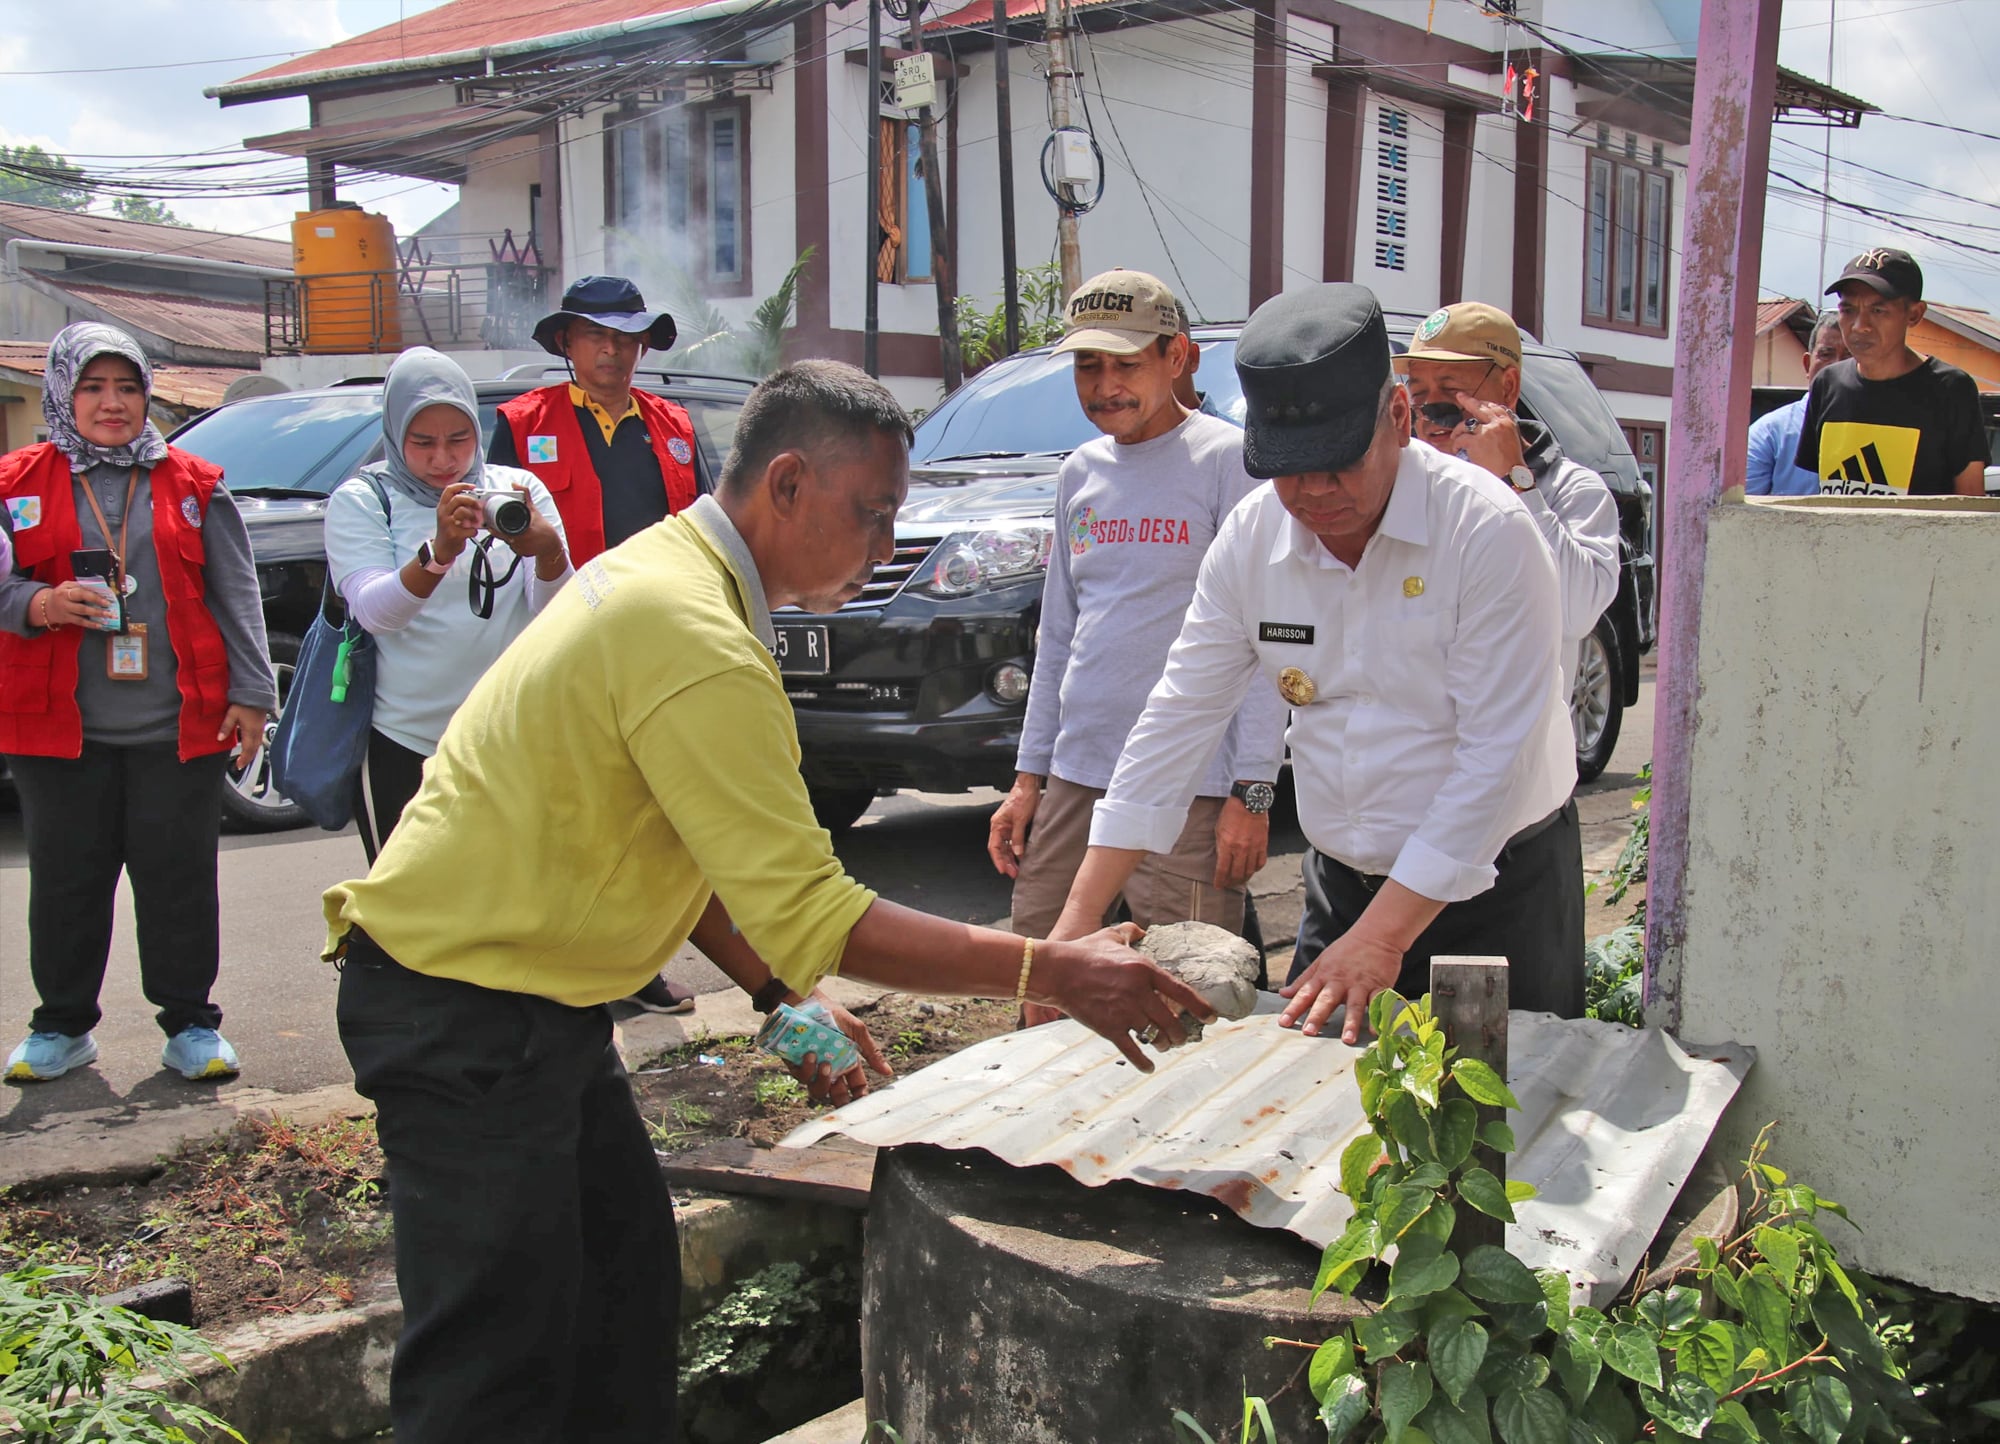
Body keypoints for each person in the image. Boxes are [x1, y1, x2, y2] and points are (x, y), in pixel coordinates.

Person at [323, 359, 1210, 1443]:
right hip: (461, 1008)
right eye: (872, 514)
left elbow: (682, 840)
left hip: (532, 1005)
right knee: (492, 1371)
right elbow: (823, 912)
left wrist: (773, 993)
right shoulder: (688, 628)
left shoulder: (677, 581)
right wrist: (1050, 968)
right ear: (785, 483)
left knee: (621, 1307)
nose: (885, 548)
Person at [1048, 283, 1582, 1044]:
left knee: (1501, 1129)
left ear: (1397, 418)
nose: (1316, 493)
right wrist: (1077, 916)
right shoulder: (1253, 537)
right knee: (1318, 1130)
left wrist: (1386, 936)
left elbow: (1499, 757)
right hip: (1342, 889)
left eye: (1338, 464)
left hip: (1496, 889)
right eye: (1290, 470)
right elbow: (1179, 715)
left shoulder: (1486, 531)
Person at [988, 268, 1285, 974]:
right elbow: (1058, 635)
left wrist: (1255, 791)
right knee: (1040, 968)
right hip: (1078, 773)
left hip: (1193, 787)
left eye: (1125, 364)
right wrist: (1029, 779)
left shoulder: (1227, 463)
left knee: (1185, 990)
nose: (1103, 385)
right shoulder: (1079, 472)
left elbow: (1267, 640)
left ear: (1176, 357)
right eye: (1088, 366)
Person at [0, 323, 277, 1082]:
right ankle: (61, 1026)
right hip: (59, 730)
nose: (112, 403)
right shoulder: (14, 482)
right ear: (64, 393)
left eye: (126, 387)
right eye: (92, 387)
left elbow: (235, 590)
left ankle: (190, 1023)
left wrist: (252, 693)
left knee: (177, 877)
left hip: (175, 725)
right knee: (66, 879)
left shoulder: (193, 482)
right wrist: (38, 602)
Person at [491, 273, 703, 1014]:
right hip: (558, 642)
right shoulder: (520, 422)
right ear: (567, 343)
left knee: (645, 804)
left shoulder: (672, 424)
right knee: (566, 803)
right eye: (596, 336)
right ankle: (564, 960)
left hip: (653, 641)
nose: (613, 351)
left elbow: (704, 529)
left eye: (626, 337)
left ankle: (635, 961)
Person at [323, 347, 571, 847]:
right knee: (410, 915)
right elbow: (374, 612)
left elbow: (556, 615)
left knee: (514, 908)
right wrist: (438, 554)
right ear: (395, 434)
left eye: (459, 439)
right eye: (423, 442)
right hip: (406, 742)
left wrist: (548, 552)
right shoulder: (364, 499)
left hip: (509, 739)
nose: (443, 458)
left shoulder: (517, 489)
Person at [1398, 302, 1619, 717]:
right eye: (1418, 395)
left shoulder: (1571, 490)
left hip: (1512, 757)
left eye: (1450, 393)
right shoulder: (1401, 488)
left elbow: (1575, 611)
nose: (1430, 415)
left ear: (1508, 388)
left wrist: (1514, 480)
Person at [1796, 248, 1987, 497]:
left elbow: (1970, 502)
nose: (1859, 326)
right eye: (1848, 310)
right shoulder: (1827, 384)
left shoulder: (1950, 388)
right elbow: (1818, 493)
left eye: (1878, 311)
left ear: (1915, 314)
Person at [1747, 312, 1848, 496]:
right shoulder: (1769, 435)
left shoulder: (1884, 430)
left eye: (1850, 357)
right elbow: (1739, 516)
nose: (1837, 366)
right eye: (1826, 354)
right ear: (1807, 364)